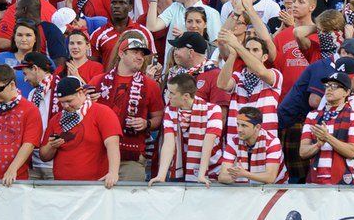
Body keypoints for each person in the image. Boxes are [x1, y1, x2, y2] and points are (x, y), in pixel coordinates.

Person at [90, 34, 164, 182]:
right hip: (98, 155)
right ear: (121, 53)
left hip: (131, 158)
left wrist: (146, 123)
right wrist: (89, 104)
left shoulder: (150, 85)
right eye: (135, 52)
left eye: (142, 54)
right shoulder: (98, 81)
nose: (140, 57)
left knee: (130, 202)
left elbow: (159, 117)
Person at [39, 76, 121, 187]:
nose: (65, 106)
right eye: (61, 102)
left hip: (95, 186)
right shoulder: (56, 119)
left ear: (81, 93)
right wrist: (51, 146)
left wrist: (113, 172)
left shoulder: (102, 112)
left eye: (69, 101)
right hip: (62, 186)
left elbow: (112, 143)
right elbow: (44, 156)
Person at [151, 73, 222, 185]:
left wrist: (201, 174)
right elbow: (169, 143)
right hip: (182, 168)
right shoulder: (170, 111)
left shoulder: (213, 110)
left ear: (186, 96)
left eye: (172, 93)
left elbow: (208, 143)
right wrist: (161, 176)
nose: (168, 96)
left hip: (211, 169)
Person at [299, 70, 354, 185]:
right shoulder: (312, 115)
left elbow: (352, 151)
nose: (329, 89)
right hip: (314, 182)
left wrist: (327, 137)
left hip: (342, 182)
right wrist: (318, 144)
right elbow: (303, 152)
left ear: (347, 92)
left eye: (335, 86)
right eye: (327, 85)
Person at [218, 106, 288, 185]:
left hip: (276, 191)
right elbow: (222, 177)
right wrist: (234, 176)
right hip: (248, 192)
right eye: (238, 124)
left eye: (244, 125)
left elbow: (270, 178)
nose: (239, 129)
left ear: (257, 127)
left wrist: (244, 174)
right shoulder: (233, 142)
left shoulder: (272, 142)